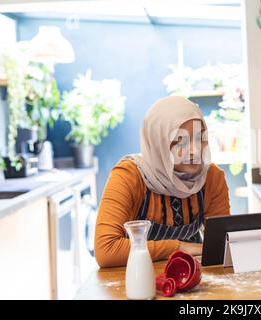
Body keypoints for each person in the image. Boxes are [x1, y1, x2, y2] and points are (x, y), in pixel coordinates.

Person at [94, 96, 230, 267]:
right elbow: (106, 250)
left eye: (199, 138)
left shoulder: (212, 177)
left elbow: (222, 244)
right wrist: (178, 247)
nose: (195, 151)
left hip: (191, 276)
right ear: (159, 143)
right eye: (180, 141)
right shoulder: (128, 176)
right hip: (137, 278)